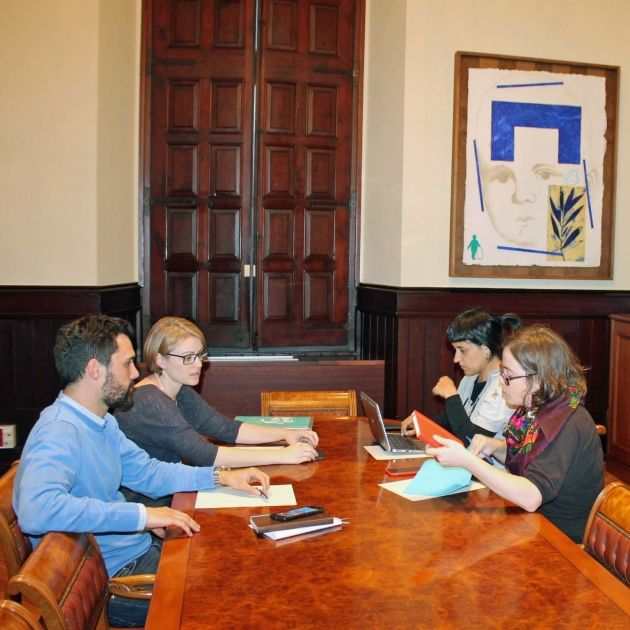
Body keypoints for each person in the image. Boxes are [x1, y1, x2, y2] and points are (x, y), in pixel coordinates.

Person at [13, 315, 269, 627]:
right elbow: (37, 510)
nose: (136, 373)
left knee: (242, 563)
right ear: (94, 370)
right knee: (241, 596)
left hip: (137, 554)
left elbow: (147, 473)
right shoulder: (59, 431)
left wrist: (220, 476)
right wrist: (143, 516)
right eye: (127, 364)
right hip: (118, 582)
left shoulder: (101, 422)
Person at [425, 325, 604, 543]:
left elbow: (531, 496)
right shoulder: (536, 406)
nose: (501, 382)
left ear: (537, 380)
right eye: (501, 373)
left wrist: (469, 461)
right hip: (530, 523)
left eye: (508, 376)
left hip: (559, 540)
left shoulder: (567, 422)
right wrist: (495, 447)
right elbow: (530, 458)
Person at [115, 317, 319, 474]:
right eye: (188, 357)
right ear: (160, 360)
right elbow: (205, 455)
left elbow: (226, 428)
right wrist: (282, 455)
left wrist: (285, 434)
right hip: (149, 503)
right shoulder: (149, 401)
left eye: (199, 355)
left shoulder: (179, 389)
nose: (198, 364)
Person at [401, 308, 521, 442]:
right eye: (455, 350)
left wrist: (451, 396)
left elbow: (472, 441)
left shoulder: (503, 387)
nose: (456, 359)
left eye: (462, 350)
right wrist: (420, 423)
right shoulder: (469, 379)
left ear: (486, 350)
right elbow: (449, 421)